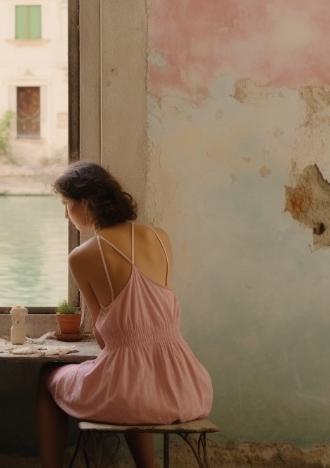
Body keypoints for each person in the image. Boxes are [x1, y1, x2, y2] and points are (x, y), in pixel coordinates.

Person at [36, 161, 213, 468]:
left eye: (66, 205)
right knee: (135, 382)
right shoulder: (160, 237)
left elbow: (103, 338)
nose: (66, 214)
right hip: (187, 388)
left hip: (128, 395)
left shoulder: (82, 256)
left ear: (85, 203)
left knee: (47, 375)